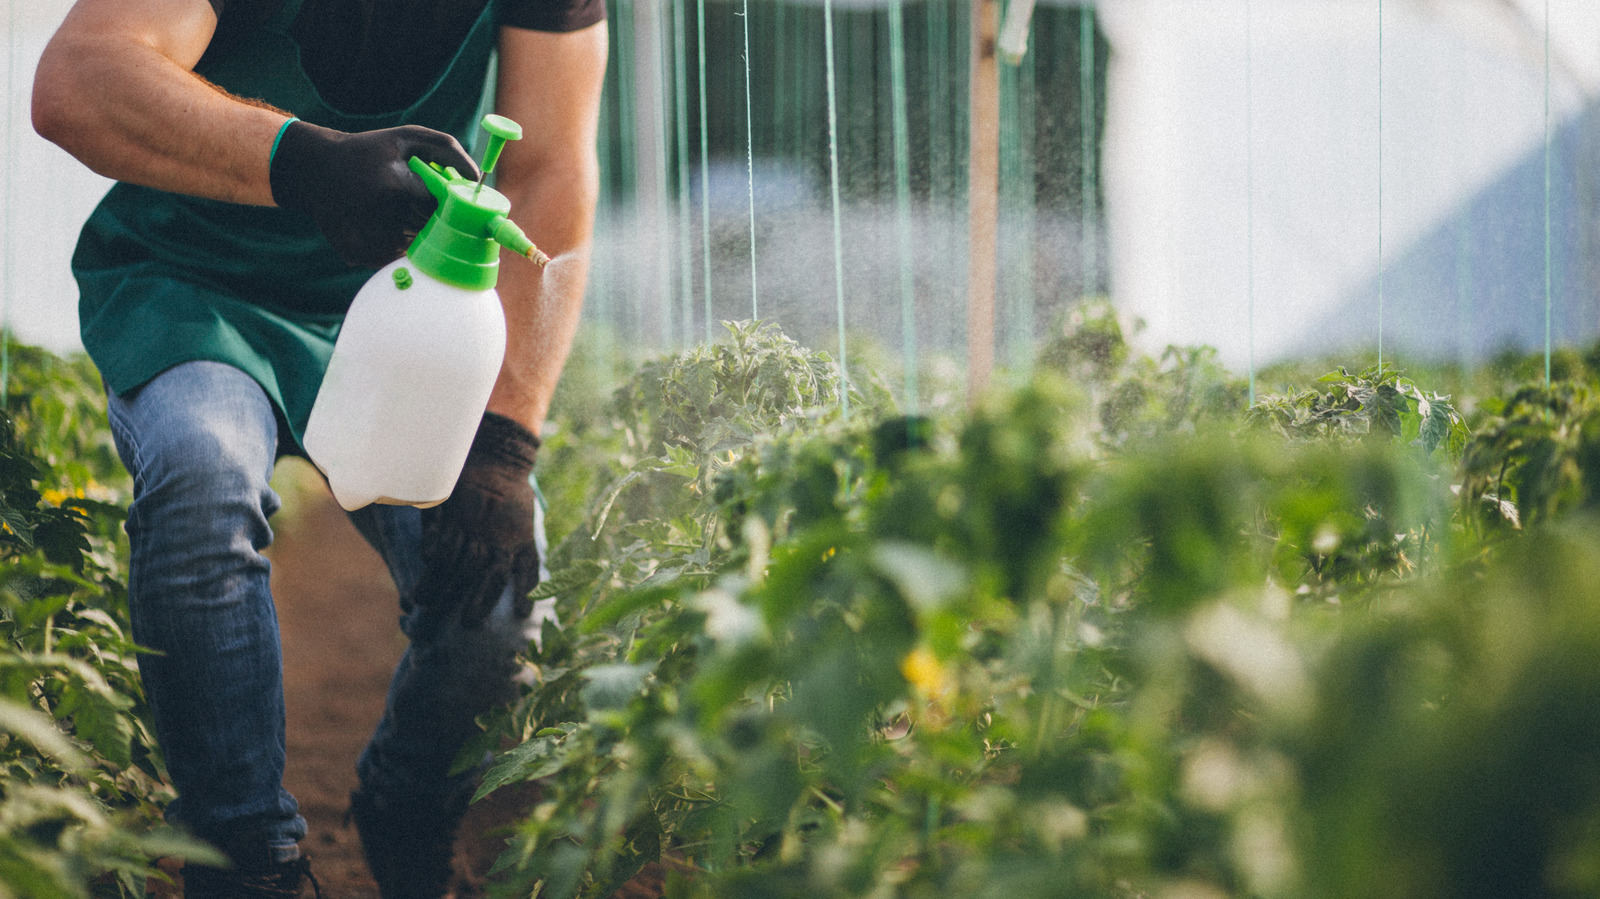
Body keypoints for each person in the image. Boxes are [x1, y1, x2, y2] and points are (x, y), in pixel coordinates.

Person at [31, 0, 607, 895]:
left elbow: (549, 164)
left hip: (406, 307)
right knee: (199, 478)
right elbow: (82, 77)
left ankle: (409, 800)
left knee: (492, 594)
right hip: (193, 284)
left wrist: (504, 440)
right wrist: (303, 161)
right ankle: (246, 854)